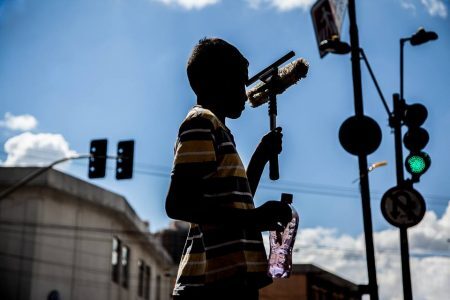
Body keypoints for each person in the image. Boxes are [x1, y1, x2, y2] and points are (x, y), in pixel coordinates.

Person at [166, 37, 292, 300]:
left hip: (231, 281)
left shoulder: (221, 130)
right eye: (239, 81)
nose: (245, 92)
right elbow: (179, 204)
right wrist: (255, 219)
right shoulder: (201, 122)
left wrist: (260, 156)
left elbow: (236, 205)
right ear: (213, 82)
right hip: (209, 284)